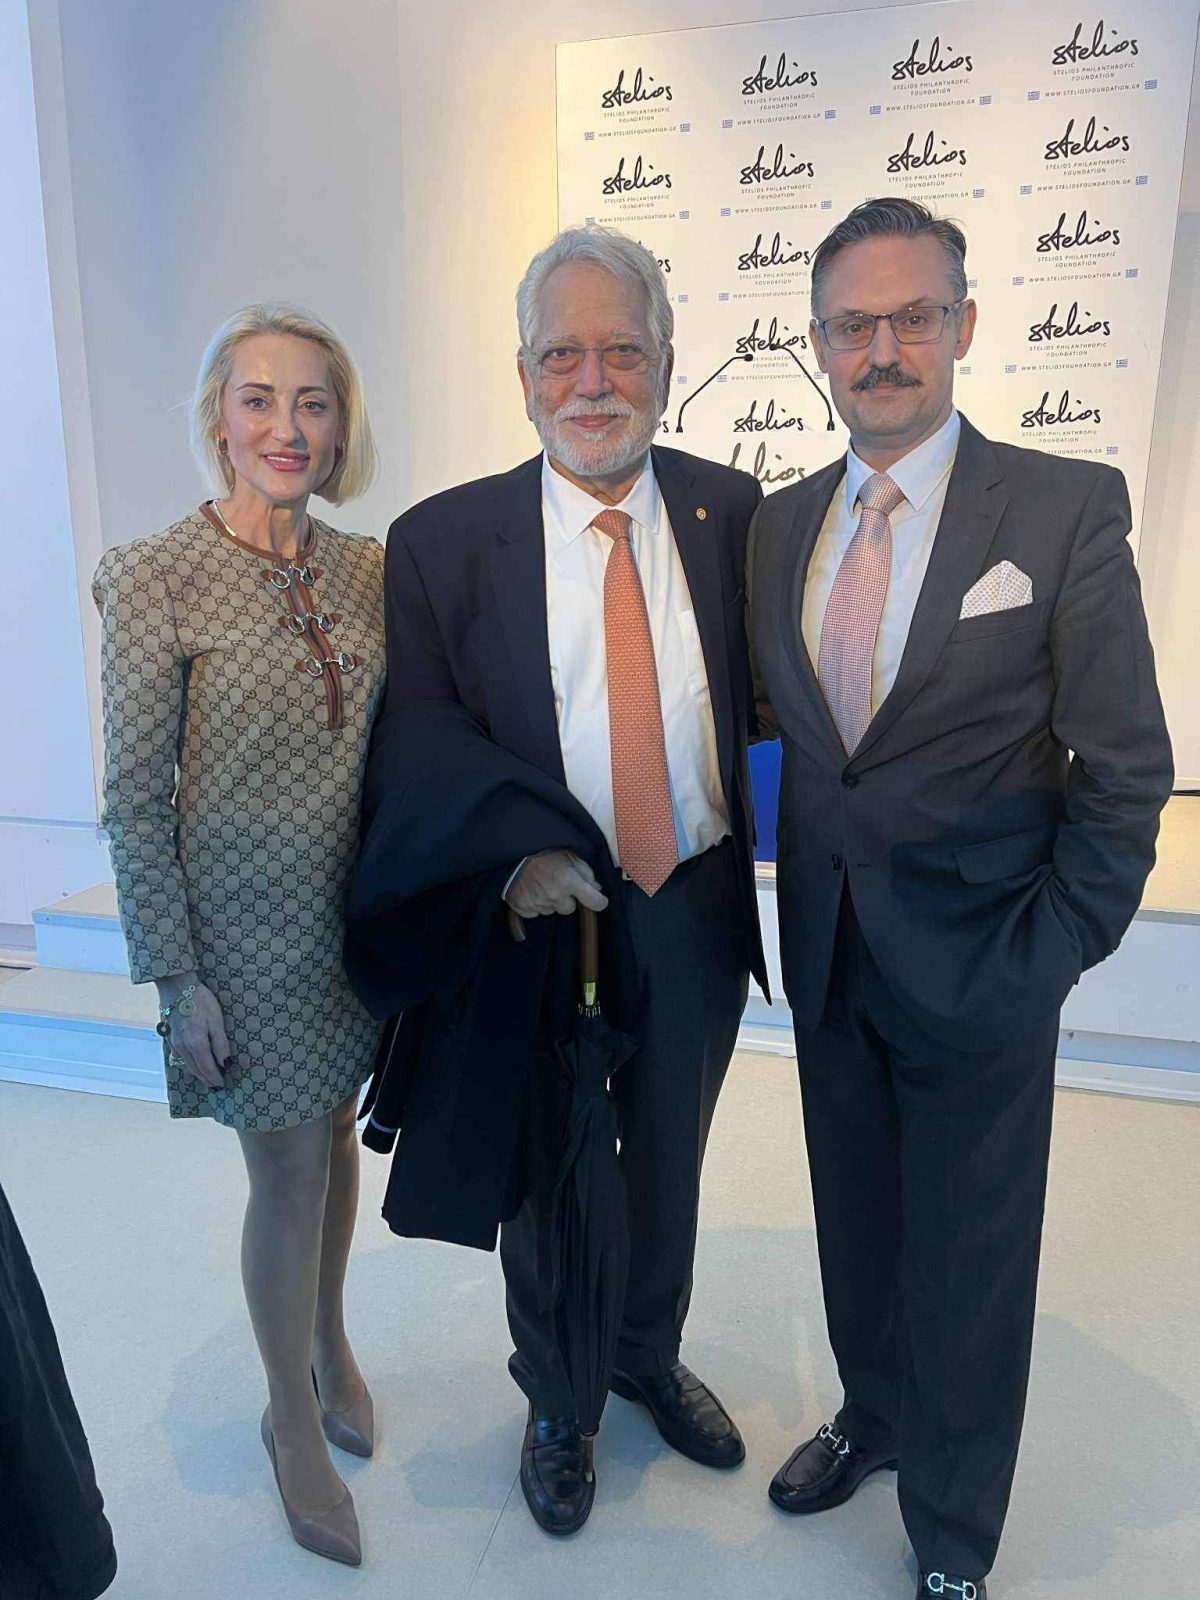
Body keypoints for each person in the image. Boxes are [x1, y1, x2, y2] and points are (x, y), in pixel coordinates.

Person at [748, 198, 1173, 1600]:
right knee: (858, 1223)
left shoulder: (1058, 508)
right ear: (818, 343)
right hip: (830, 949)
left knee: (972, 1259)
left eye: (913, 317)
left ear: (965, 324)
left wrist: (1052, 950)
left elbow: (1127, 766)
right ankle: (875, 1416)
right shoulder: (778, 528)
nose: (883, 349)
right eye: (852, 325)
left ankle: (951, 1530)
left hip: (988, 961)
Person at [377, 225, 767, 1534]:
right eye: (562, 355)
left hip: (694, 899)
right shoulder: (442, 540)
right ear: (523, 374)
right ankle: (558, 1397)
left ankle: (644, 1352)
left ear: (667, 361)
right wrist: (511, 860)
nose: (591, 382)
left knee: (670, 1153)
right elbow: (421, 736)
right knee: (548, 1173)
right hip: (541, 912)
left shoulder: (735, 515)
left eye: (621, 351)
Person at [92, 304, 386, 1568]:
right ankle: (288, 1419)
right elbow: (131, 796)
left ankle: (327, 1337)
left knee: (336, 1135)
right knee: (290, 1172)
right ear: (219, 418)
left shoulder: (368, 569)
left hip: (348, 925)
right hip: (238, 935)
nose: (287, 426)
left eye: (313, 402)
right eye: (259, 399)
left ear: (342, 428)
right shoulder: (154, 575)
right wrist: (176, 977)